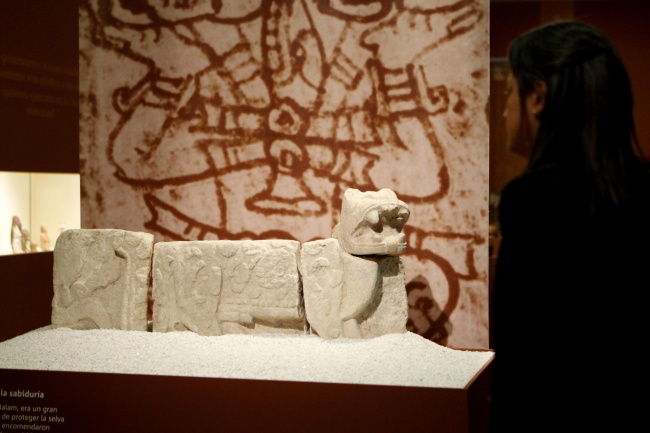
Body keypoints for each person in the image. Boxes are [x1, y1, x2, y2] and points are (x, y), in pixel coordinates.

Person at [490, 20, 650, 431]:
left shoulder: (532, 200)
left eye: (509, 92)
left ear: (538, 97)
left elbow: (521, 357)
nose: (504, 110)